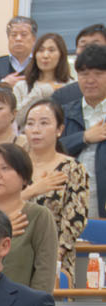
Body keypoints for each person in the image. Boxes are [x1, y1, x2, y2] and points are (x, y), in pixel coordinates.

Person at [0, 145, 59, 294]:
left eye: (5, 168)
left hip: (22, 303)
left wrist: (34, 305)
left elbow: (45, 274)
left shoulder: (38, 216)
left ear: (24, 178)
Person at [21, 100, 91, 270]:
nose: (36, 130)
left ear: (59, 130)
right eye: (30, 123)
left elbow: (75, 219)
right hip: (11, 253)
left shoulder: (72, 169)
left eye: (44, 123)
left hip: (56, 257)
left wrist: (53, 256)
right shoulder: (12, 165)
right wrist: (31, 191)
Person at [59, 44, 106, 221]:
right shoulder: (63, 113)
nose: (90, 80)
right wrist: (84, 137)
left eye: (98, 74)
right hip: (68, 206)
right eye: (84, 74)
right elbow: (50, 151)